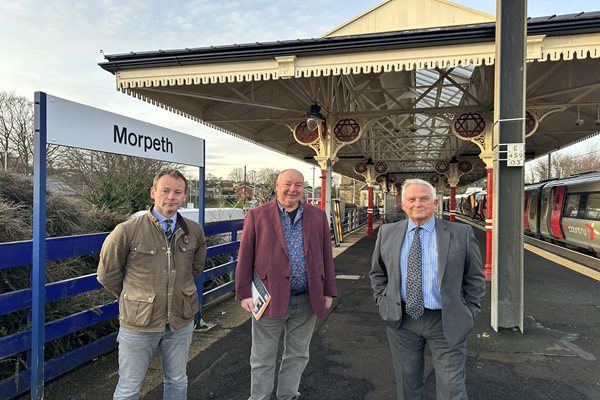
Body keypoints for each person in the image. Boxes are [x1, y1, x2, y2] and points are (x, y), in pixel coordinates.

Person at [369, 178, 485, 400]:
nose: (417, 204)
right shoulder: (387, 232)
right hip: (402, 320)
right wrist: (383, 301)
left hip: (446, 319)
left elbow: (475, 278)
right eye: (411, 199)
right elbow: (378, 273)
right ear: (402, 204)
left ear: (435, 202)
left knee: (452, 387)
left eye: (423, 198)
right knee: (407, 384)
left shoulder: (461, 233)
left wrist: (469, 311)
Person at [97, 169, 206, 400]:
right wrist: (133, 298)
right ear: (153, 192)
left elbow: (195, 268)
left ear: (184, 196)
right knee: (129, 387)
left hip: (180, 321)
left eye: (178, 192)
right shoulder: (126, 231)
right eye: (165, 191)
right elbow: (107, 274)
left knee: (177, 380)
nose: (171, 197)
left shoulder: (194, 231)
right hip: (138, 324)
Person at [235, 168, 336, 400]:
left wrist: (328, 291)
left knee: (298, 354)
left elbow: (325, 256)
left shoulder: (317, 216)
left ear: (304, 188)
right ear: (277, 186)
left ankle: (287, 395)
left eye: (298, 185)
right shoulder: (257, 215)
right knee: (262, 358)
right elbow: (246, 256)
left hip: (307, 298)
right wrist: (244, 293)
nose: (293, 189)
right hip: (269, 299)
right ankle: (259, 397)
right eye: (288, 184)